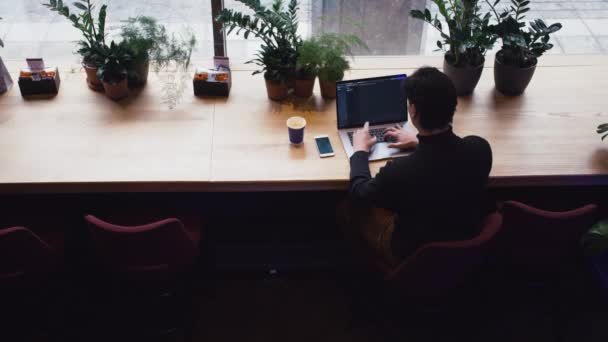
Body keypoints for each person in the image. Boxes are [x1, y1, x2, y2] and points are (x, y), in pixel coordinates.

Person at [342, 67, 494, 265]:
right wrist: (420, 141)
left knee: (347, 209)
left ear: (413, 110)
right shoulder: (480, 149)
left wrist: (360, 152)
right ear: (453, 106)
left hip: (413, 257)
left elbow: (359, 192)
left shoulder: (400, 172)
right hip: (463, 248)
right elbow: (444, 163)